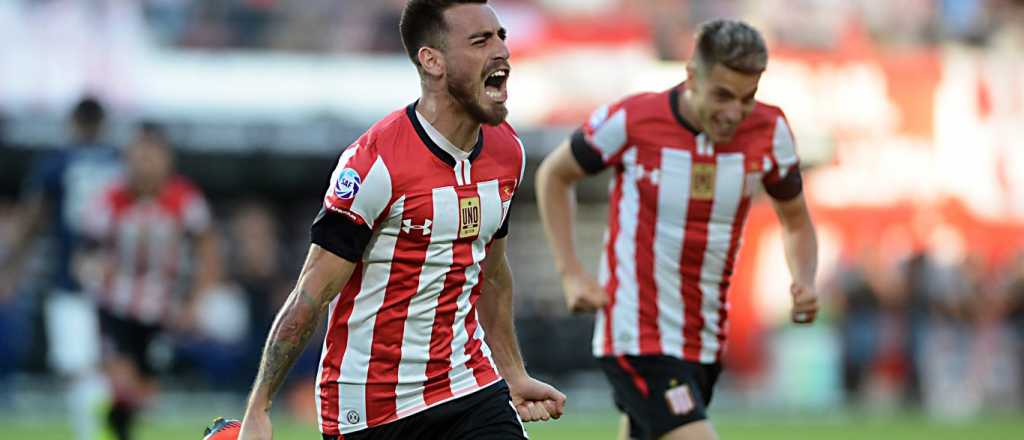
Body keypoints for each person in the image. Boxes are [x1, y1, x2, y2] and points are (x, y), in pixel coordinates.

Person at [238, 1, 565, 439]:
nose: (501, 51)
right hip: (372, 405)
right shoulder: (375, 162)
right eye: (480, 41)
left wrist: (513, 371)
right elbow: (311, 295)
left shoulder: (508, 153)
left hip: (466, 384)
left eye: (501, 36)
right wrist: (259, 407)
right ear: (432, 60)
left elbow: (492, 271)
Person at [536, 19, 820, 440]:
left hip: (703, 338)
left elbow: (795, 219)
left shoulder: (770, 130)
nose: (734, 112)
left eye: (747, 98)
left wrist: (805, 279)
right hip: (637, 333)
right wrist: (571, 272)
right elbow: (554, 176)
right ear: (691, 77)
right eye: (722, 95)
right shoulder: (634, 119)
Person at [80, 122, 221, 440]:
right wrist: (92, 272)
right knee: (121, 379)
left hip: (162, 308)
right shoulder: (111, 199)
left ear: (166, 159)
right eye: (138, 156)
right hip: (117, 304)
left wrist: (198, 299)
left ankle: (120, 425)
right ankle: (110, 427)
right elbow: (87, 249)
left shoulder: (183, 199)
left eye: (151, 156)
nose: (144, 164)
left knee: (145, 390)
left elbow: (207, 247)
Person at [0, 96, 121, 440]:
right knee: (104, 363)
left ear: (74, 123)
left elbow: (34, 218)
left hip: (71, 276)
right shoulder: (118, 161)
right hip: (116, 277)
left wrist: (10, 266)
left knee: (76, 366)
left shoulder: (58, 163)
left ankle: (92, 433)